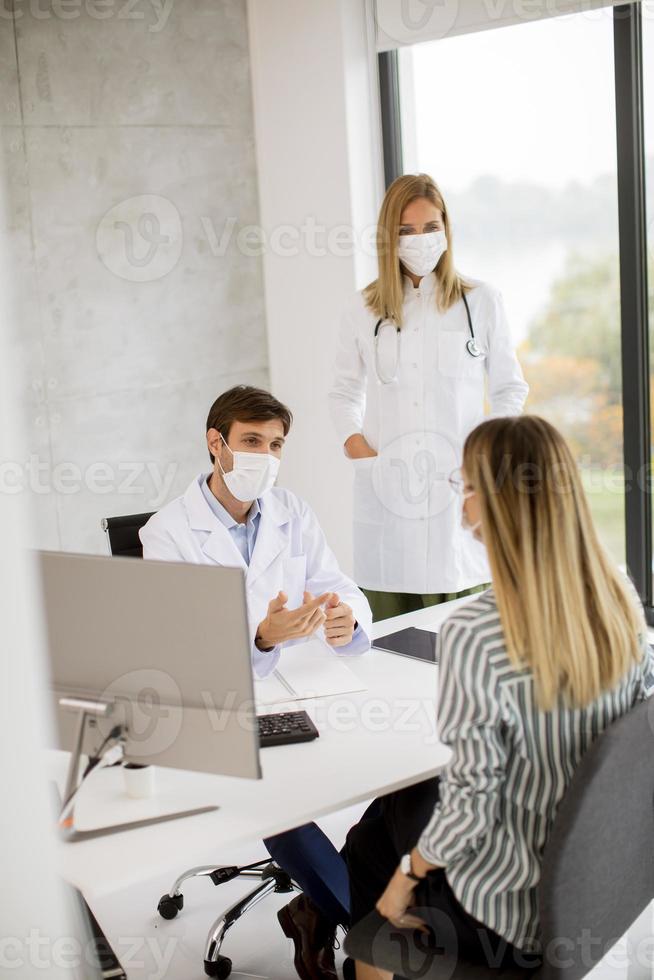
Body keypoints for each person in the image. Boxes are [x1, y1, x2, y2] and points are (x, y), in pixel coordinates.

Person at [345, 415, 654, 979]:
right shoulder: (618, 594)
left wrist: (407, 877)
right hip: (598, 883)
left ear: (497, 502)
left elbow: (472, 802)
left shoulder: (478, 631)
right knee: (394, 809)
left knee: (369, 859)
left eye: (466, 487)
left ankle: (363, 945)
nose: (461, 505)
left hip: (511, 914)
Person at [141, 384, 373, 980]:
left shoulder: (292, 510)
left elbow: (337, 584)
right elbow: (179, 649)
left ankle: (315, 907)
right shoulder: (167, 532)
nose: (265, 457)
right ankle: (370, 937)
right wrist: (261, 637)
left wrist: (347, 618)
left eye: (276, 445)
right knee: (284, 799)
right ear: (215, 443)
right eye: (251, 441)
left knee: (405, 773)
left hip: (309, 684)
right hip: (220, 704)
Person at [328, 173, 529, 622]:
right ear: (388, 237)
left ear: (446, 230)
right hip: (386, 490)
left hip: (460, 492)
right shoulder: (362, 309)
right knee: (388, 637)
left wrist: (486, 456)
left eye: (430, 227)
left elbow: (509, 388)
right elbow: (343, 392)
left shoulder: (482, 302)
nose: (419, 240)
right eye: (405, 230)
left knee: (465, 625)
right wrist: (361, 452)